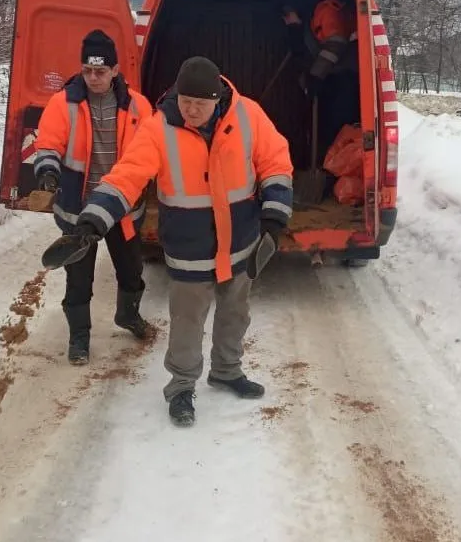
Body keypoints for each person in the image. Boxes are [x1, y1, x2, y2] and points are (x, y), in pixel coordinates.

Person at [69, 56, 293, 426]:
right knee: (188, 320)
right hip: (191, 248)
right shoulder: (159, 129)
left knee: (235, 313)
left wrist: (274, 217)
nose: (191, 110)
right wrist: (93, 220)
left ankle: (226, 370)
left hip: (241, 242)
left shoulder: (248, 115)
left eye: (200, 104)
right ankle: (181, 388)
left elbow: (275, 162)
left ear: (217, 99)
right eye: (185, 101)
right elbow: (127, 176)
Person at [33, 29, 154, 365]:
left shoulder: (138, 106)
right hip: (79, 208)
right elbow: (49, 143)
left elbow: (152, 152)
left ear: (115, 70)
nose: (93, 77)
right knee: (78, 278)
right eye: (87, 70)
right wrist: (47, 171)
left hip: (122, 208)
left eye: (101, 71)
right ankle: (79, 338)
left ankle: (128, 316)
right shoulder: (64, 103)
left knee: (131, 271)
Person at [283, 0, 360, 160]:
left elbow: (336, 44)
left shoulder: (327, 11)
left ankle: (332, 172)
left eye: (288, 16)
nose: (286, 20)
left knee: (336, 128)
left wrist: (315, 76)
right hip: (335, 76)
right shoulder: (310, 21)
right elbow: (302, 51)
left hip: (344, 78)